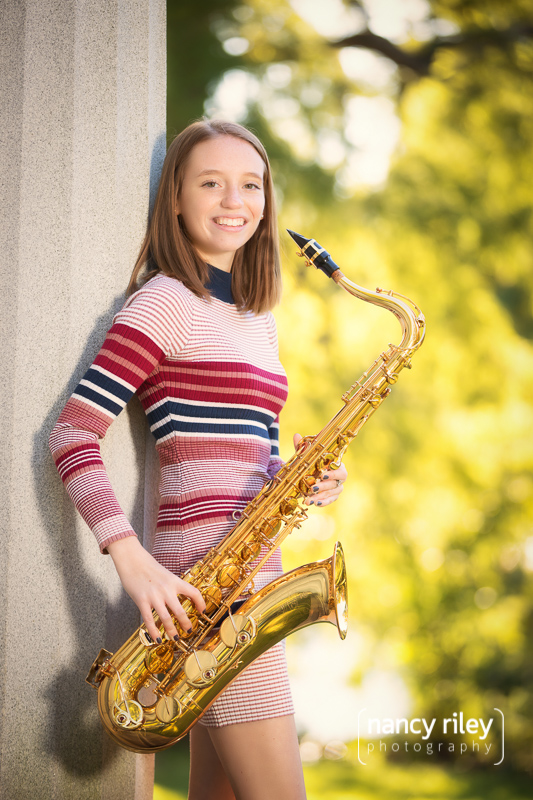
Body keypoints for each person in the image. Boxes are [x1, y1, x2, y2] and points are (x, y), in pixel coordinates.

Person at [49, 119, 347, 800]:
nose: (233, 200)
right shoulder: (164, 301)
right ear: (175, 200)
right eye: (209, 183)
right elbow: (70, 434)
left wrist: (310, 477)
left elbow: (256, 455)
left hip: (251, 581)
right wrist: (134, 562)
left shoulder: (256, 318)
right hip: (200, 590)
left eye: (250, 185)